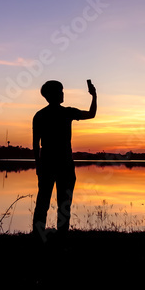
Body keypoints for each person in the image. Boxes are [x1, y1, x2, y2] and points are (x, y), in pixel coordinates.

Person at [32, 79, 96, 240]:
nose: (62, 94)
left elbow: (35, 145)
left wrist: (38, 166)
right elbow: (92, 114)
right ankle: (58, 236)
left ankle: (42, 236)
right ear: (51, 95)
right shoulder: (65, 113)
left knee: (47, 202)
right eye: (60, 92)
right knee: (60, 203)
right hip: (61, 164)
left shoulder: (40, 115)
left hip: (53, 164)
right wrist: (94, 96)